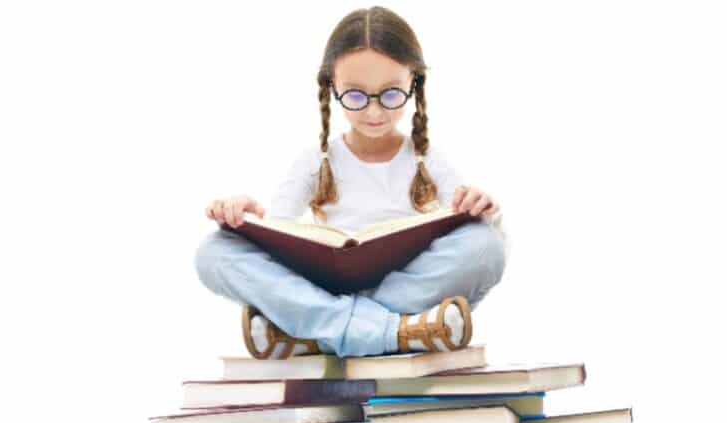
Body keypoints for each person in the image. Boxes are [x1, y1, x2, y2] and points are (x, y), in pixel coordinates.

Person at [194, 6, 510, 359]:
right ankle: (397, 330)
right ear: (332, 87)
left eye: (391, 94)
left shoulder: (428, 158)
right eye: (356, 96)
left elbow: (477, 242)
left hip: (400, 286)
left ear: (414, 84)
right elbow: (279, 234)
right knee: (213, 251)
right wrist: (246, 219)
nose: (374, 112)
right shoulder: (316, 160)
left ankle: (313, 330)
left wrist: (483, 208)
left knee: (487, 245)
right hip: (326, 285)